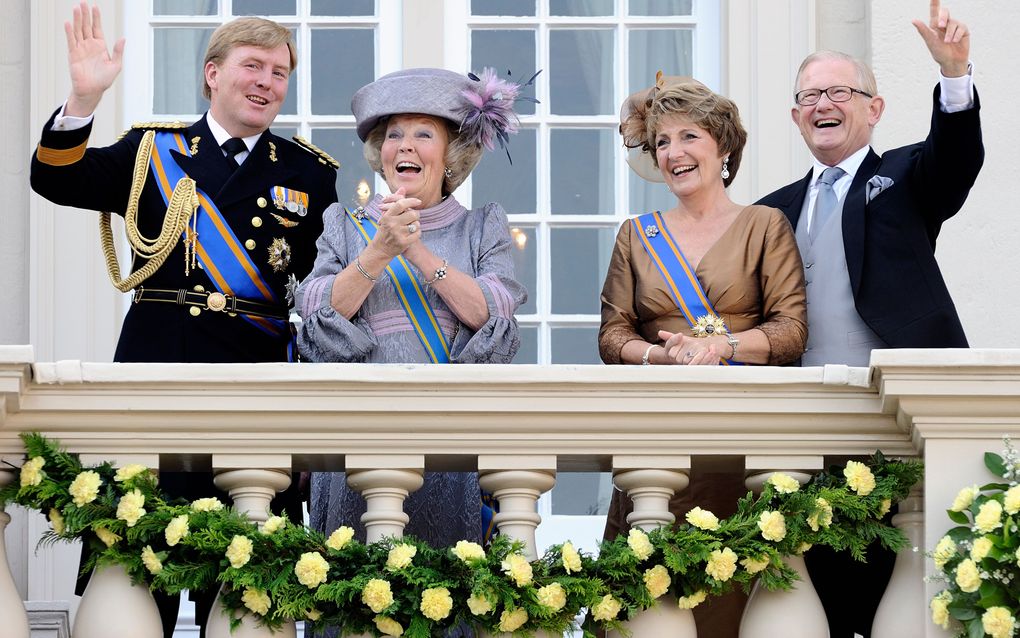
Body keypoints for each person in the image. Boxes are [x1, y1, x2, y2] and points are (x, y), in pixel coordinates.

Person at [29, 4, 338, 636]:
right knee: (138, 564)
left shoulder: (311, 173)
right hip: (156, 373)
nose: (267, 82)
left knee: (250, 579)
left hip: (256, 384)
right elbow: (57, 180)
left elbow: (325, 293)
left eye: (279, 73)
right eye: (253, 66)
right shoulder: (154, 151)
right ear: (212, 74)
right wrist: (82, 101)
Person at [755, 3, 981, 636]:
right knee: (817, 592)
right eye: (809, 95)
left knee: (904, 580)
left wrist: (955, 74)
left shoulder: (905, 177)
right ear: (796, 114)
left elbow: (956, 157)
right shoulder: (772, 211)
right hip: (802, 424)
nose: (823, 103)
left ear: (874, 109)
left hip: (895, 413)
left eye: (839, 91)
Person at [295, 66, 526, 588]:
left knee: (442, 597)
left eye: (424, 133)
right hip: (355, 438)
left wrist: (415, 247)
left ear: (452, 154)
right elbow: (315, 308)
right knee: (353, 594)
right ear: (380, 151)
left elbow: (494, 311)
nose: (405, 145)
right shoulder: (343, 224)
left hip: (448, 437)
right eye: (393, 134)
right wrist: (379, 249)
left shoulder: (480, 224)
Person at [598, 74, 807, 636]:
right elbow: (612, 336)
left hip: (740, 442)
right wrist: (663, 358)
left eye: (688, 137)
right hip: (656, 439)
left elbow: (791, 332)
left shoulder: (765, 225)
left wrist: (721, 347)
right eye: (662, 142)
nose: (674, 153)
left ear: (722, 146)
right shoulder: (635, 235)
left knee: (732, 601)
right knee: (641, 601)